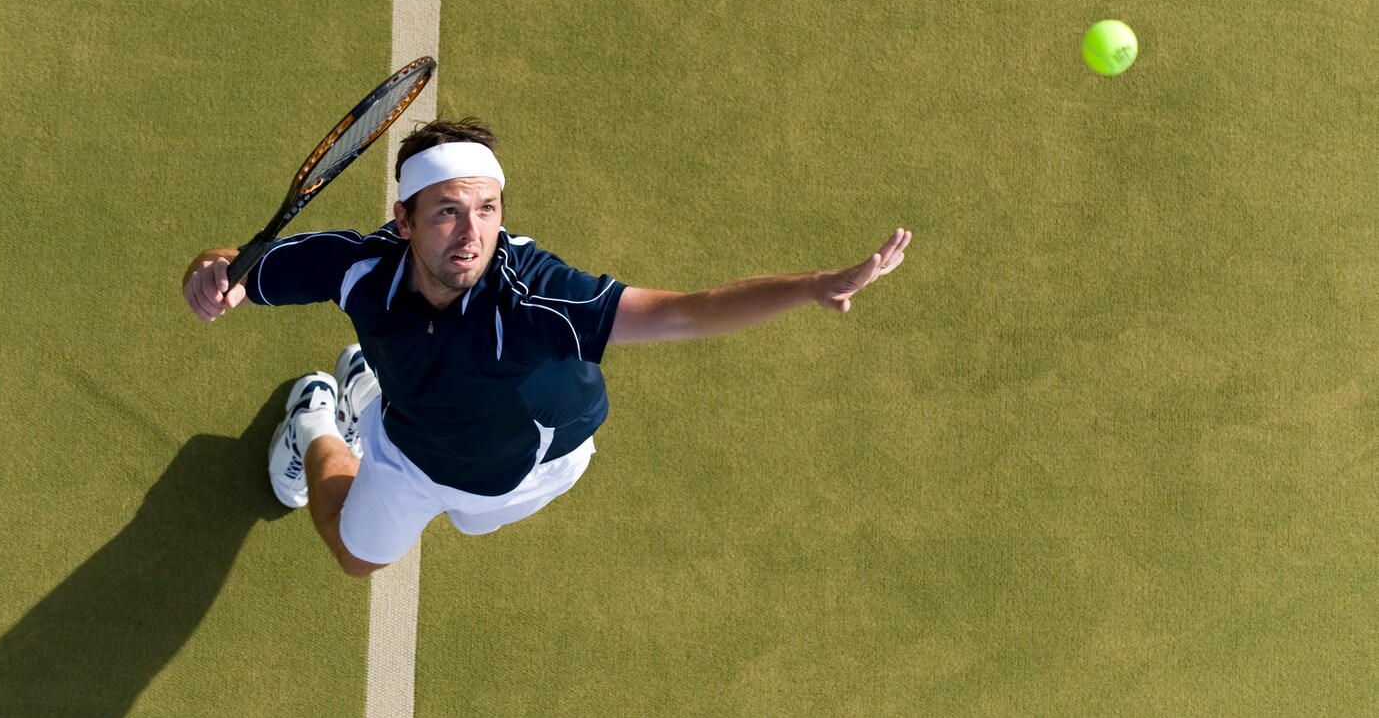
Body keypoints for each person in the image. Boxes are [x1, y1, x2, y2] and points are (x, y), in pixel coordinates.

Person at [183, 119, 911, 577]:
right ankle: (315, 422)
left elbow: (685, 315)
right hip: (411, 454)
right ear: (402, 220)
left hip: (534, 466)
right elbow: (233, 263)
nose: (471, 233)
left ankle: (365, 384)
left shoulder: (537, 299)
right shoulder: (357, 267)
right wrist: (213, 277)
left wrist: (812, 285)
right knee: (353, 553)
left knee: (471, 522)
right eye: (446, 213)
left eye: (487, 210)